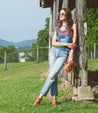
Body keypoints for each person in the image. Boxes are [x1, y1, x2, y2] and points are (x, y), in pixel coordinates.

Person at [32, 8, 77, 106]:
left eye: (62, 14)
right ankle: (54, 98)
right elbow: (53, 43)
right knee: (54, 75)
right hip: (53, 52)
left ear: (67, 15)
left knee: (52, 75)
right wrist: (66, 44)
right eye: (59, 13)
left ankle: (39, 97)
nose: (60, 15)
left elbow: (73, 44)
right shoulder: (57, 27)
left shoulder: (73, 26)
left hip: (63, 54)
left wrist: (70, 56)